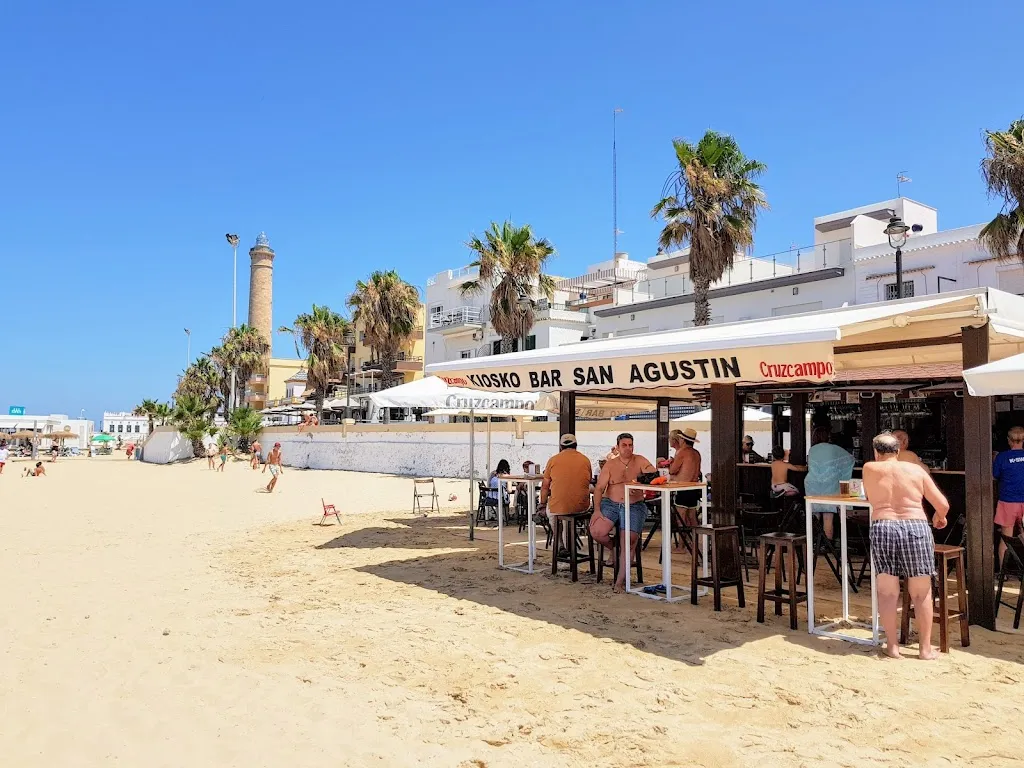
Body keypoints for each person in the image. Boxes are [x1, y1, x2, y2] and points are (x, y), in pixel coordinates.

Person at [863, 432, 949, 660]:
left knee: (887, 591)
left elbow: (870, 497)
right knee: (921, 592)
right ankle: (924, 649)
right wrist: (939, 517)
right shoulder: (916, 470)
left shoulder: (869, 468)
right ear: (899, 450)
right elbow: (942, 504)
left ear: (876, 452)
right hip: (915, 525)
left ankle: (892, 647)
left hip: (884, 525)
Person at [593, 433, 657, 592]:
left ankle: (620, 582)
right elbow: (599, 488)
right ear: (617, 447)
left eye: (630, 445)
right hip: (611, 503)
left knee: (628, 541)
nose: (628, 448)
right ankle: (614, 548)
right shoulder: (610, 464)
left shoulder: (640, 460)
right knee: (597, 531)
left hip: (634, 505)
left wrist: (642, 482)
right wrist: (596, 510)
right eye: (624, 445)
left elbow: (653, 476)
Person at [540, 434, 593, 552]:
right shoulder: (585, 460)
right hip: (582, 507)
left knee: (553, 514)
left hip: (559, 507)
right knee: (565, 514)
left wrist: (542, 504)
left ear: (560, 446)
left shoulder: (553, 460)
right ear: (576, 445)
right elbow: (588, 480)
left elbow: (545, 486)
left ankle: (560, 544)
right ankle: (569, 547)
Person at [804, 426, 855, 540]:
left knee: (814, 515)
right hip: (830, 484)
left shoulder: (812, 450)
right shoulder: (834, 449)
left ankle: (813, 543)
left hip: (812, 484)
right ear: (828, 436)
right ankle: (827, 545)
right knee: (828, 517)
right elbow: (850, 459)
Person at [993, 426, 1024, 564]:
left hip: (1008, 501)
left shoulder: (1002, 457)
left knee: (1006, 539)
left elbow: (995, 475)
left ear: (1009, 440)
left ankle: (1002, 571)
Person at [665, 428, 702, 526]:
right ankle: (695, 536)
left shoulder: (682, 452)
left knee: (681, 518)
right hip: (694, 488)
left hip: (682, 488)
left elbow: (672, 470)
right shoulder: (696, 453)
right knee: (692, 517)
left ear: (683, 440)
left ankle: (683, 537)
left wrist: (670, 463)